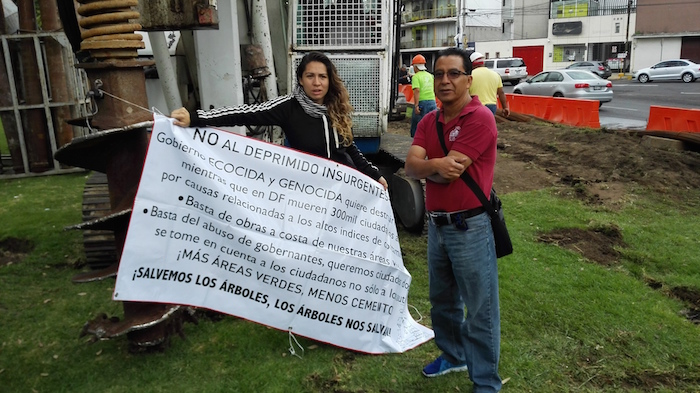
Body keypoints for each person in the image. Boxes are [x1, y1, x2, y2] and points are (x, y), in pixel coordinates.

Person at [404, 47, 502, 392]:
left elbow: (450, 174)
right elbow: (410, 166)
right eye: (439, 74)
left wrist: (427, 165)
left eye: (453, 73)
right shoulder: (430, 120)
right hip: (438, 225)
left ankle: (486, 381)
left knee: (480, 308)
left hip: (470, 226)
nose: (445, 80)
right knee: (442, 301)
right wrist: (433, 164)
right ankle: (453, 355)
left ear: (468, 80)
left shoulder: (480, 118)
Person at [171, 51, 388, 190]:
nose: (317, 83)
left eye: (322, 76)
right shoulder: (288, 107)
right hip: (309, 191)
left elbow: (349, 149)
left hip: (343, 188)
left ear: (330, 80)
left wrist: (373, 174)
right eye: (310, 76)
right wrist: (196, 117)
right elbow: (245, 112)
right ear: (301, 80)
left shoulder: (336, 107)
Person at [468, 52, 510, 117]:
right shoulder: (495, 75)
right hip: (491, 106)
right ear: (483, 63)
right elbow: (501, 93)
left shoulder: (470, 76)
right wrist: (505, 108)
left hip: (476, 105)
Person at [409, 54, 437, 137]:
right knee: (432, 123)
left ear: (416, 67)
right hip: (432, 101)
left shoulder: (416, 77)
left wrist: (416, 105)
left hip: (422, 102)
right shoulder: (430, 76)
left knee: (418, 124)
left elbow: (417, 90)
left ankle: (417, 141)